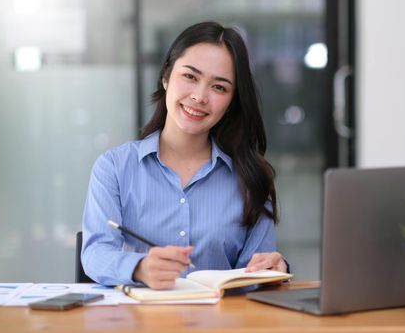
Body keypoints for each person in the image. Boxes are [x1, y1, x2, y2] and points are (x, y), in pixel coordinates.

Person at [81, 21, 287, 289]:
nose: (200, 97)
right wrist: (140, 268)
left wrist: (272, 270)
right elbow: (95, 253)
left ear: (231, 102)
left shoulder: (251, 178)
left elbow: (255, 274)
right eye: (190, 77)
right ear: (166, 78)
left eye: (219, 87)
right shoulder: (115, 167)